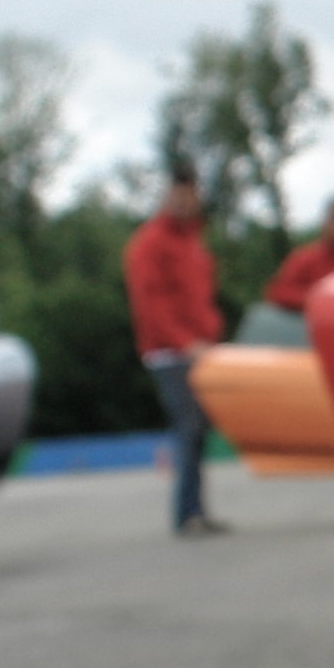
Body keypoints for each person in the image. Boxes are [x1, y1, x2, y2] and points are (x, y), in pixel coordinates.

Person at [123, 167, 228, 536]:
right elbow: (151, 305)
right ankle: (188, 514)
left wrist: (210, 334)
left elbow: (200, 297)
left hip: (200, 350)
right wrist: (185, 343)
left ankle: (196, 510)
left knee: (197, 432)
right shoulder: (150, 244)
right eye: (177, 196)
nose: (184, 203)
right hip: (170, 353)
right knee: (189, 428)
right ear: (166, 198)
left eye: (190, 196)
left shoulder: (193, 242)